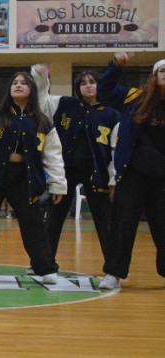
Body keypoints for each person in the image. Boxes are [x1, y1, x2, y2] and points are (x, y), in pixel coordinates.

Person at [0, 71, 66, 284]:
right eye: (14, 82)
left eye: (24, 83)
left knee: (33, 224)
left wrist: (58, 184)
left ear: (32, 90)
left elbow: (53, 155)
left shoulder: (43, 122)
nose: (18, 85)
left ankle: (45, 268)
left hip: (25, 178)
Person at [31, 64, 120, 268]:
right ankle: (43, 263)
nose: (88, 86)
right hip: (64, 172)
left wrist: (114, 179)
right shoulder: (65, 104)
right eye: (83, 83)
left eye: (93, 82)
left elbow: (116, 151)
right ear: (77, 87)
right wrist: (42, 78)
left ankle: (114, 268)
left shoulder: (112, 114)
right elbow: (41, 102)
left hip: (97, 175)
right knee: (53, 218)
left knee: (105, 221)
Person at [98, 55, 165, 289]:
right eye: (162, 71)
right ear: (154, 76)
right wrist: (115, 66)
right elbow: (105, 91)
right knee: (122, 224)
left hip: (162, 177)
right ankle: (114, 273)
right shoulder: (135, 97)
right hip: (132, 173)